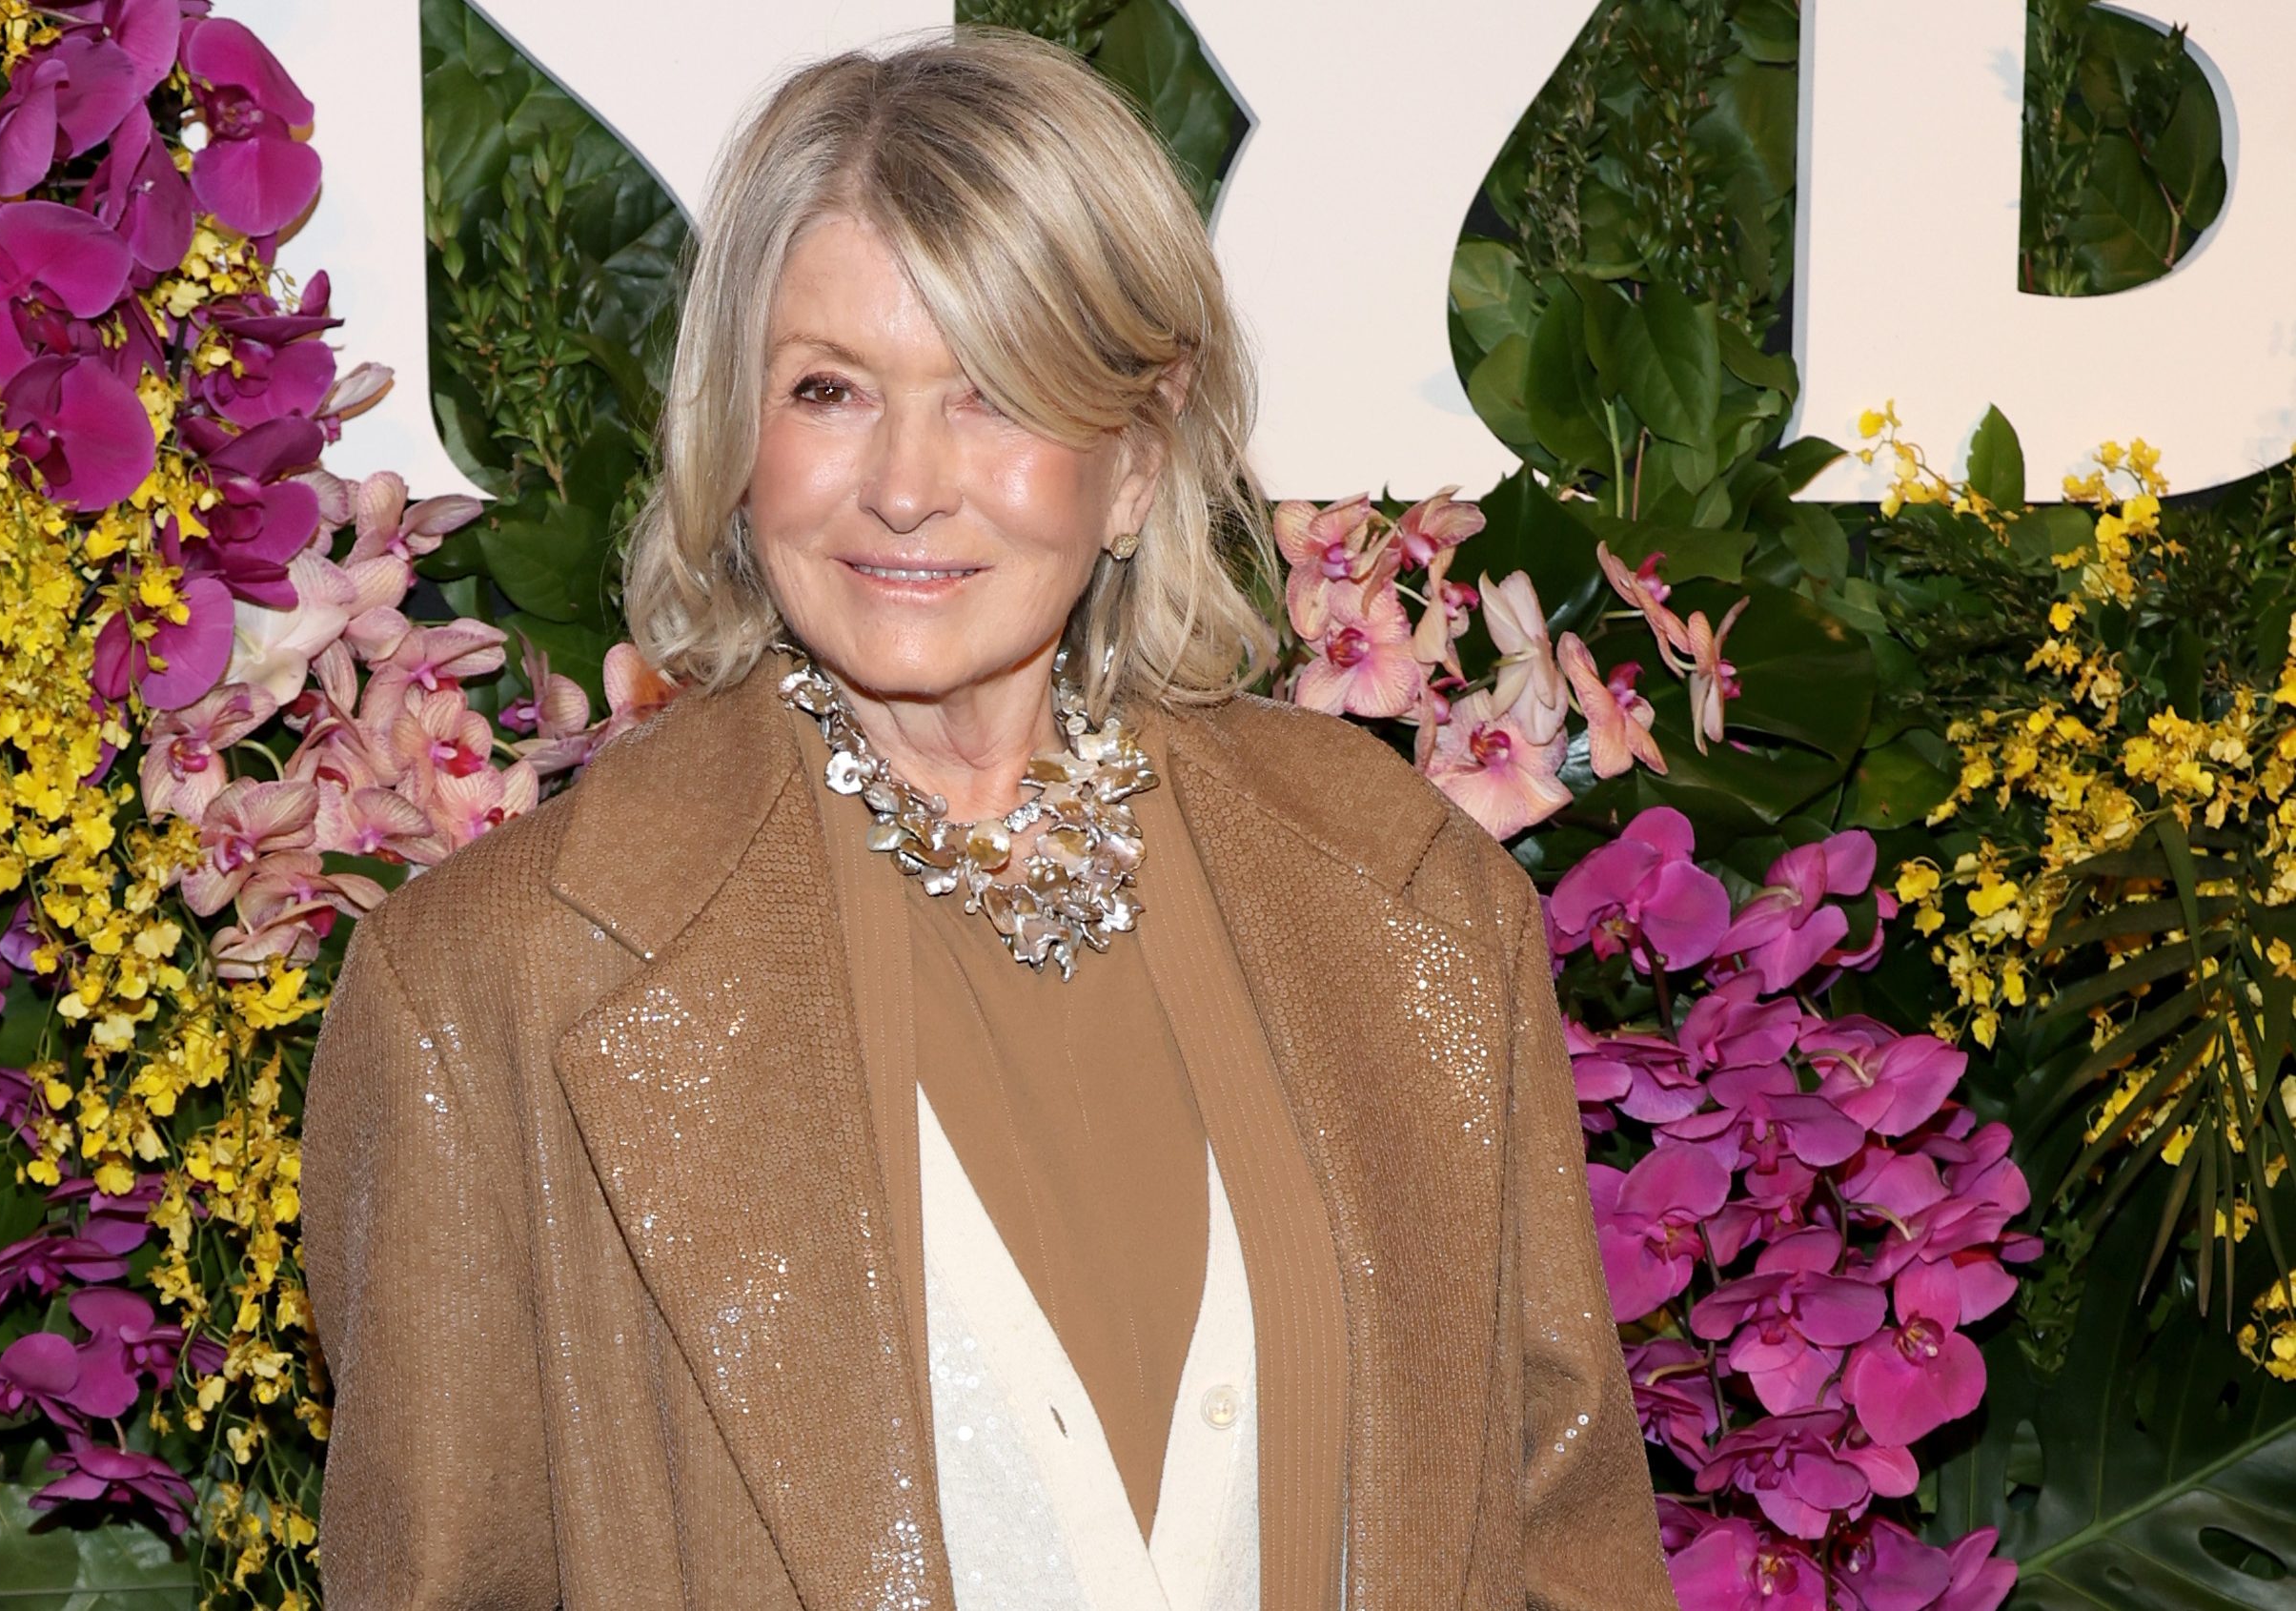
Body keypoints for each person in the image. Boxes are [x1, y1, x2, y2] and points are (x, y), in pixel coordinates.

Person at [300, 26, 1672, 1611]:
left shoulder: (1409, 891)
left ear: (1138, 461)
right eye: (830, 390)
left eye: (994, 395)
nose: (903, 484)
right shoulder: (486, 993)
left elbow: (1562, 1542)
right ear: (738, 439)